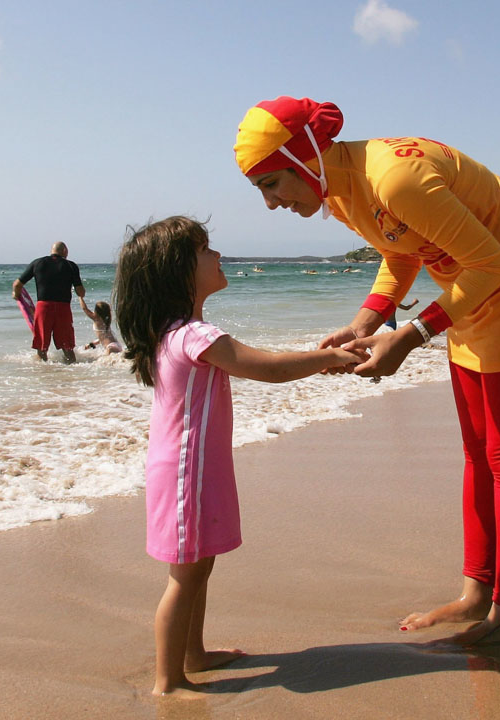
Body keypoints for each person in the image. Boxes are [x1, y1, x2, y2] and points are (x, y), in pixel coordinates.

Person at [234, 96, 500, 645]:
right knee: (477, 455)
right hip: (475, 299)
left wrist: (413, 334)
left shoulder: (394, 177)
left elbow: (492, 262)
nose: (271, 203)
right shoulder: (344, 186)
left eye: (272, 185)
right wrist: (365, 322)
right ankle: (477, 595)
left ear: (305, 158)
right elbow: (402, 251)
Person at [113, 216, 367, 696]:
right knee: (185, 576)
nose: (218, 255)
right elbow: (266, 369)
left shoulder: (178, 332)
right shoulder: (193, 336)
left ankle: (194, 654)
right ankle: (168, 681)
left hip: (193, 471)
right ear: (178, 271)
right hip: (187, 474)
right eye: (206, 250)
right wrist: (329, 358)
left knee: (199, 565)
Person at [12, 242, 85, 363]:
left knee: (42, 346)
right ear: (65, 251)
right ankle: (71, 371)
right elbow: (80, 292)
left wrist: (16, 295)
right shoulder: (71, 266)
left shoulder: (37, 263)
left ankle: (44, 374)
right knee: (67, 346)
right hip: (63, 309)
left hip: (43, 307)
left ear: (52, 250)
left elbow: (17, 284)